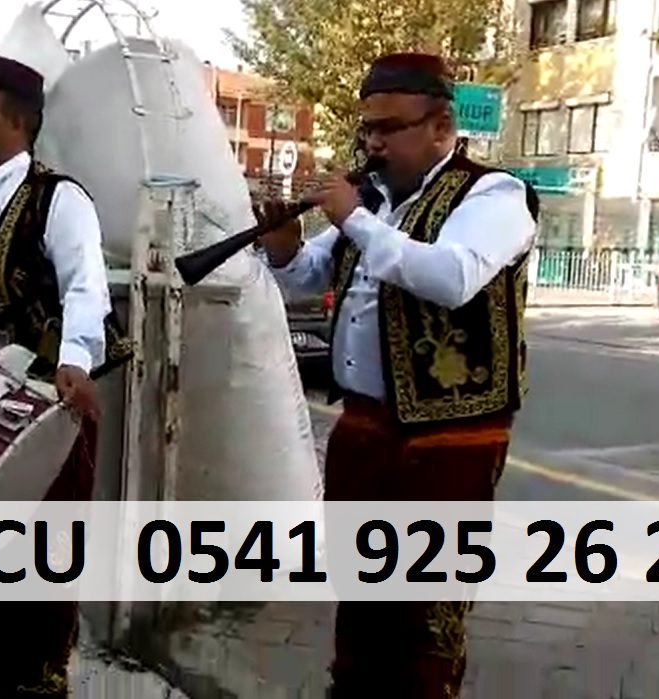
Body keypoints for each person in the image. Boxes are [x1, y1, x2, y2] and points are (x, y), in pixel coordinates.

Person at [256, 52, 539, 697]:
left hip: (450, 438)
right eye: (368, 130)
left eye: (389, 128)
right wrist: (283, 242)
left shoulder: (494, 194)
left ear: (441, 128)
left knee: (424, 617)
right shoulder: (376, 202)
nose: (374, 143)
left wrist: (353, 218)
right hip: (364, 429)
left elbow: (451, 276)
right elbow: (307, 276)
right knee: (361, 600)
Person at [0, 54, 131, 698]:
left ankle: (40, 680)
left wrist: (74, 361)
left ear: (16, 122)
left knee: (46, 545)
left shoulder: (58, 199)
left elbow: (87, 285)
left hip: (46, 407)